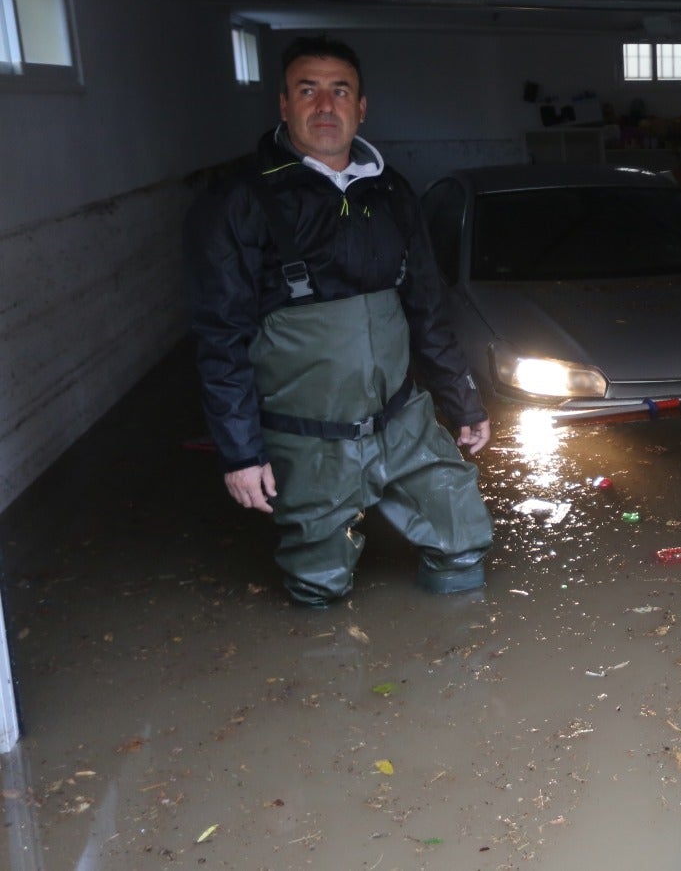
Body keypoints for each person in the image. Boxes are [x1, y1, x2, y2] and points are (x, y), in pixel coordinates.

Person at [185, 36, 493, 608]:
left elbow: (427, 307)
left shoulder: (393, 191)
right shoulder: (237, 199)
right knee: (318, 578)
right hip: (307, 438)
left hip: (402, 419)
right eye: (308, 90)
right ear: (283, 104)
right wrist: (241, 454)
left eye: (339, 90)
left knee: (462, 536)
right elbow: (219, 336)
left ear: (361, 106)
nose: (324, 106)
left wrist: (462, 400)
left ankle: (466, 663)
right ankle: (328, 676)